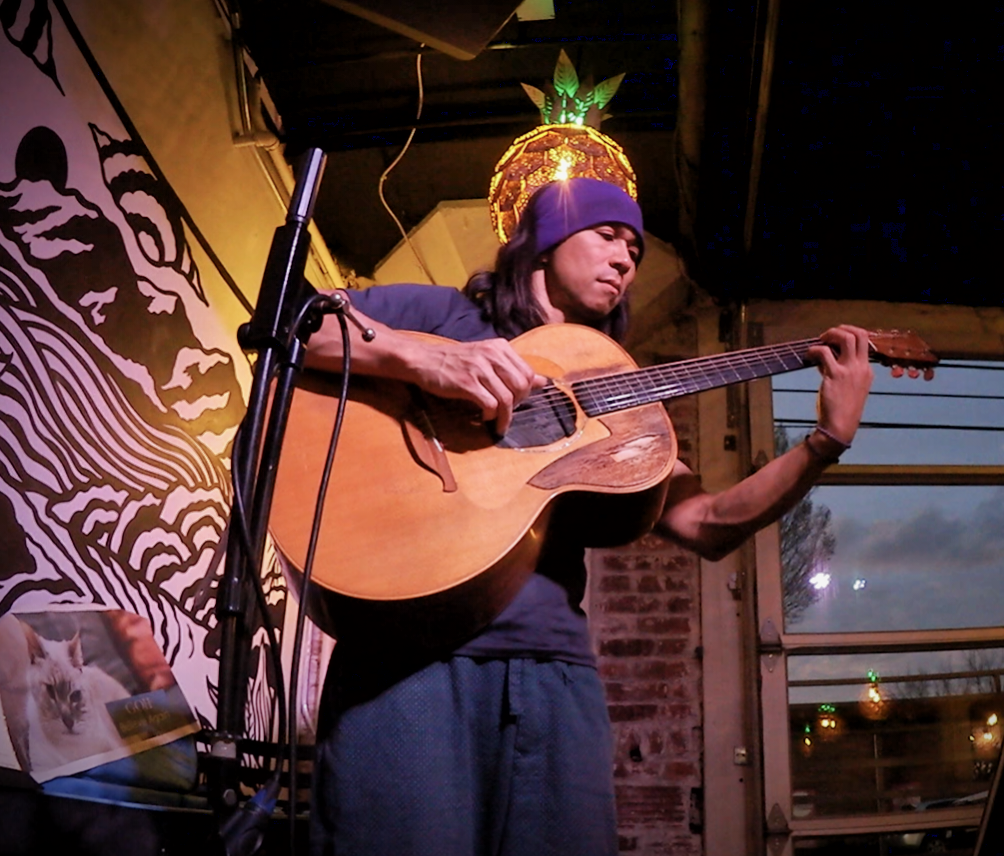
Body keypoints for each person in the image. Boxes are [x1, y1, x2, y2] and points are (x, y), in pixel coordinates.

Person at [303, 178, 873, 856]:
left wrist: (824, 442)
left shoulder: (613, 396)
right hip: (406, 659)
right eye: (607, 235)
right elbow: (296, 325)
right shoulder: (444, 316)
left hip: (554, 672)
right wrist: (427, 358)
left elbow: (709, 521)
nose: (626, 258)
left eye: (635, 248)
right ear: (544, 243)